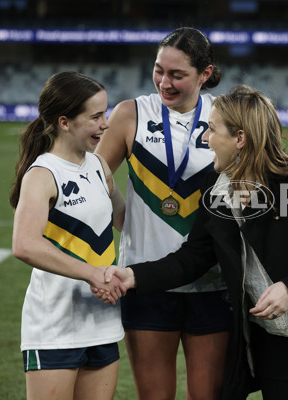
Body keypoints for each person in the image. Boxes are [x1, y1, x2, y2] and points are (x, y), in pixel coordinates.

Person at [95, 84, 288, 400]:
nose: (205, 138)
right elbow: (196, 256)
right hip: (277, 348)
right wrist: (134, 276)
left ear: (240, 139)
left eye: (212, 130)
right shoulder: (215, 186)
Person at [94, 27, 231, 400]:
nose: (164, 83)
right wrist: (125, 217)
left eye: (177, 75)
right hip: (144, 279)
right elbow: (92, 181)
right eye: (159, 70)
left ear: (205, 74)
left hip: (212, 282)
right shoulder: (130, 113)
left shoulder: (228, 115)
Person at [9, 71, 126, 400]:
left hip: (102, 322)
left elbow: (124, 218)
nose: (105, 125)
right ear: (64, 122)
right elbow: (25, 244)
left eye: (106, 113)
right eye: (96, 117)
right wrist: (93, 275)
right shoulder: (43, 174)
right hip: (55, 328)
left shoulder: (100, 166)